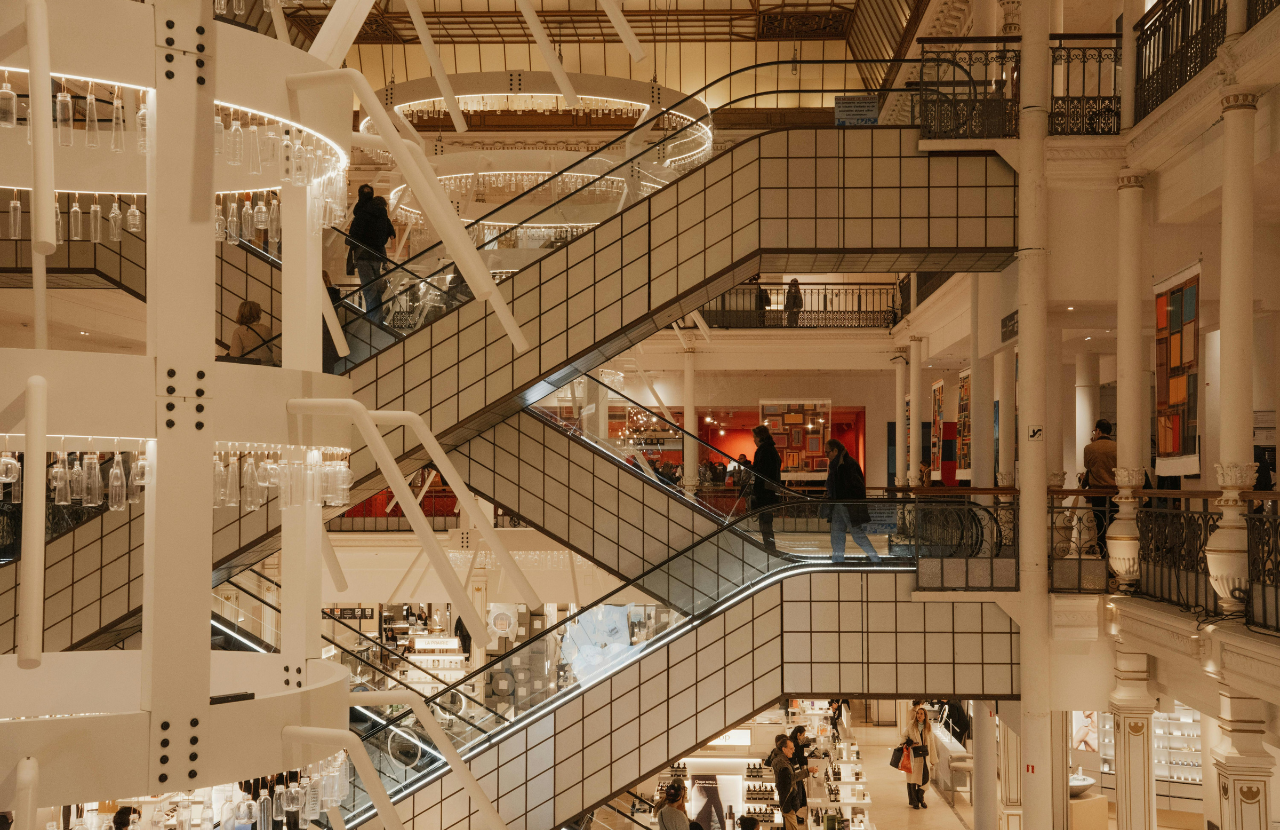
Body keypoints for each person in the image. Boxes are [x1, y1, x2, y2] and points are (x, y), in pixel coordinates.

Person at [347, 186, 397, 325]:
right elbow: (390, 232)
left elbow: (354, 233)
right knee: (374, 290)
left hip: (363, 255)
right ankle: (376, 320)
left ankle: (373, 323)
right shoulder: (382, 215)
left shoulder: (362, 211)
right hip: (377, 255)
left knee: (369, 290)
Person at [823, 439, 879, 562]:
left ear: (835, 451)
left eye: (827, 452)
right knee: (839, 534)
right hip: (841, 504)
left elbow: (856, 487)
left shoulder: (846, 464)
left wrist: (845, 498)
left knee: (854, 534)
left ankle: (876, 559)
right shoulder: (840, 463)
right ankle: (838, 560)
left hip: (847, 504)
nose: (826, 456)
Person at [1082, 418, 1118, 553]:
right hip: (1115, 491)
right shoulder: (1117, 447)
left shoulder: (1089, 448)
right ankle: (1115, 552)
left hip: (1097, 491)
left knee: (1100, 523)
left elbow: (1088, 466)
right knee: (1113, 522)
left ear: (1098, 430)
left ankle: (1103, 552)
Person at [751, 425, 783, 553]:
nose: (753, 440)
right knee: (766, 521)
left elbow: (762, 471)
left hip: (765, 492)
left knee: (765, 522)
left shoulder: (764, 451)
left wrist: (752, 470)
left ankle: (770, 548)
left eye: (754, 437)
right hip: (769, 491)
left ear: (759, 437)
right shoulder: (771, 450)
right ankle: (770, 547)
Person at [901, 705, 938, 809]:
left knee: (925, 779)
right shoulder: (911, 725)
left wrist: (932, 759)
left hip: (924, 756)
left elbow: (932, 743)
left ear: (925, 716)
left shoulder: (928, 727)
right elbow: (903, 736)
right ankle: (914, 801)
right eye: (918, 713)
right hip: (914, 756)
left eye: (921, 714)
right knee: (913, 779)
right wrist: (908, 742)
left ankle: (920, 797)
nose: (919, 715)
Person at [227, 299, 277, 365]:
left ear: (241, 313)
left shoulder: (239, 331)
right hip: (268, 366)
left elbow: (235, 356)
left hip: (250, 368)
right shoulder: (267, 329)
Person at [769, 735, 803, 830]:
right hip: (788, 804)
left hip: (787, 803)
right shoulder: (783, 765)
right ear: (784, 749)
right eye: (791, 748)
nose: (793, 750)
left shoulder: (782, 761)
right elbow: (786, 787)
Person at [321, 270, 342, 374]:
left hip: (321, 330)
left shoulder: (317, 293)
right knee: (328, 363)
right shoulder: (334, 293)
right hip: (331, 330)